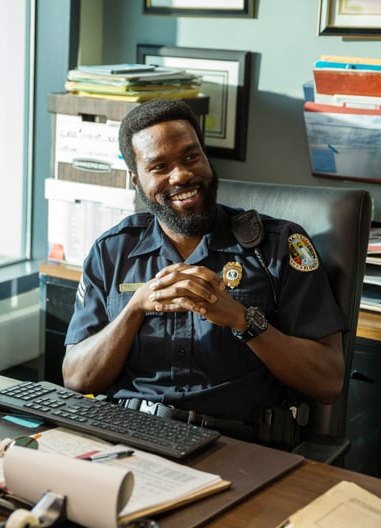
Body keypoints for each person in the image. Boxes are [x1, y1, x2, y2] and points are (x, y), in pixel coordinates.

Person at [61, 98, 344, 448]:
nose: (181, 175)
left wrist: (242, 320)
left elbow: (328, 383)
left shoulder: (279, 246)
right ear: (136, 180)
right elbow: (76, 377)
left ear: (206, 158)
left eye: (191, 157)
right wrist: (134, 310)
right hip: (129, 436)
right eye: (160, 166)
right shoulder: (114, 250)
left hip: (239, 445)